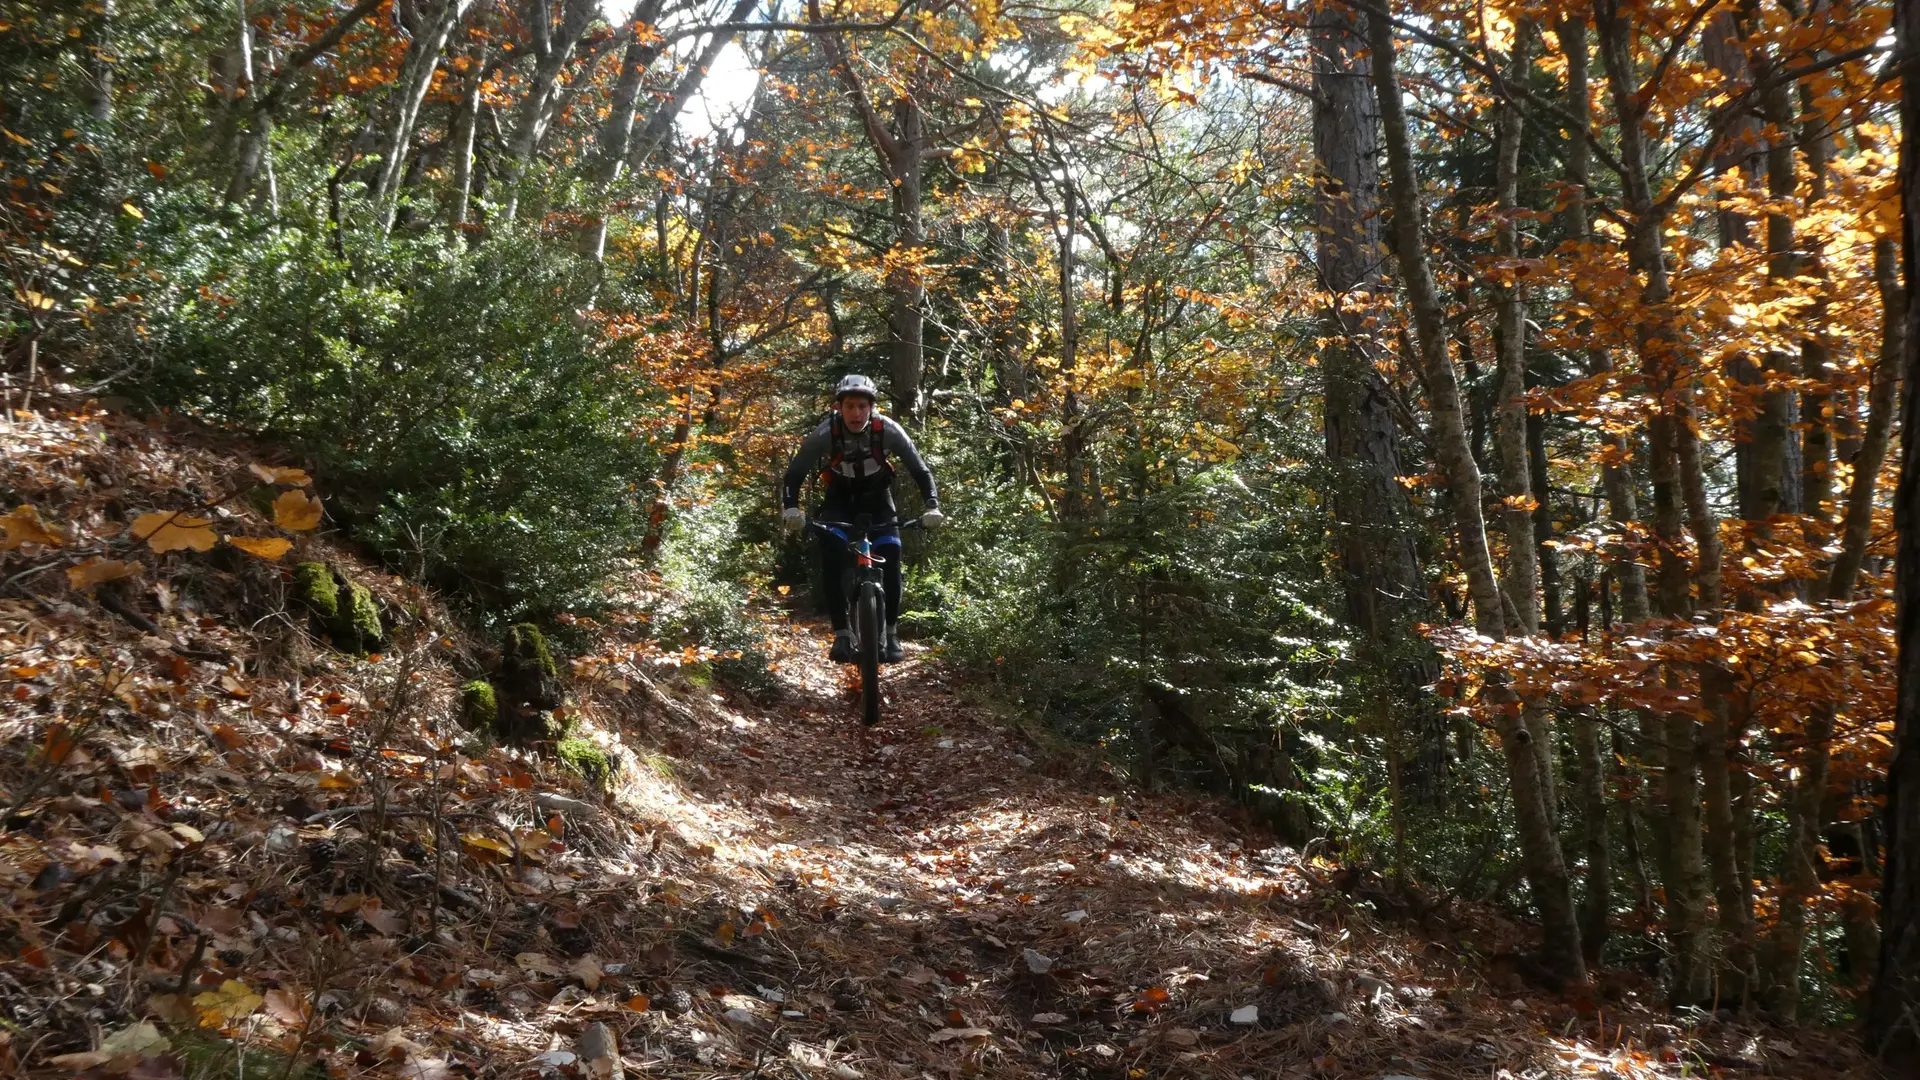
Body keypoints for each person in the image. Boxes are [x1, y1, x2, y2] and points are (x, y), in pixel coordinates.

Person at [780, 374, 943, 663]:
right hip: (839, 501)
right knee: (830, 551)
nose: (856, 413)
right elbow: (795, 473)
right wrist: (791, 508)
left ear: (872, 408)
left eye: (862, 407)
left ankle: (891, 633)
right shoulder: (824, 433)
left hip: (879, 500)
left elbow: (920, 470)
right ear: (838, 408)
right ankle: (842, 633)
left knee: (891, 554)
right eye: (850, 406)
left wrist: (932, 505)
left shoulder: (888, 430)